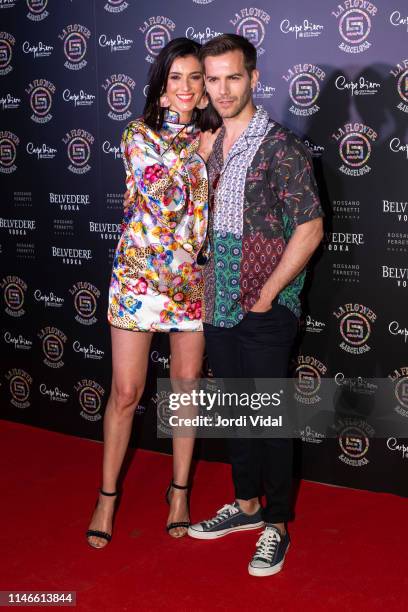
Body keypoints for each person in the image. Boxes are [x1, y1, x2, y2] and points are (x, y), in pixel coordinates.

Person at [187, 34, 324, 577]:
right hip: (217, 305)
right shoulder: (211, 146)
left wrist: (267, 295)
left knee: (268, 419)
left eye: (232, 77)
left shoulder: (280, 147)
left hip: (265, 308)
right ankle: (245, 507)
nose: (221, 89)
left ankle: (277, 525)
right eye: (212, 79)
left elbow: (310, 229)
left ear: (254, 79)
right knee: (238, 415)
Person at [86, 38, 219, 548]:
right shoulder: (137, 134)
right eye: (175, 79)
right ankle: (106, 496)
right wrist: (200, 155)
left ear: (203, 90)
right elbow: (162, 193)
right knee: (126, 393)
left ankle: (180, 491)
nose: (184, 88)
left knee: (185, 390)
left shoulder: (215, 138)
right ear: (162, 92)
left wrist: (208, 150)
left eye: (193, 78)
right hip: (138, 278)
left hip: (190, 283)